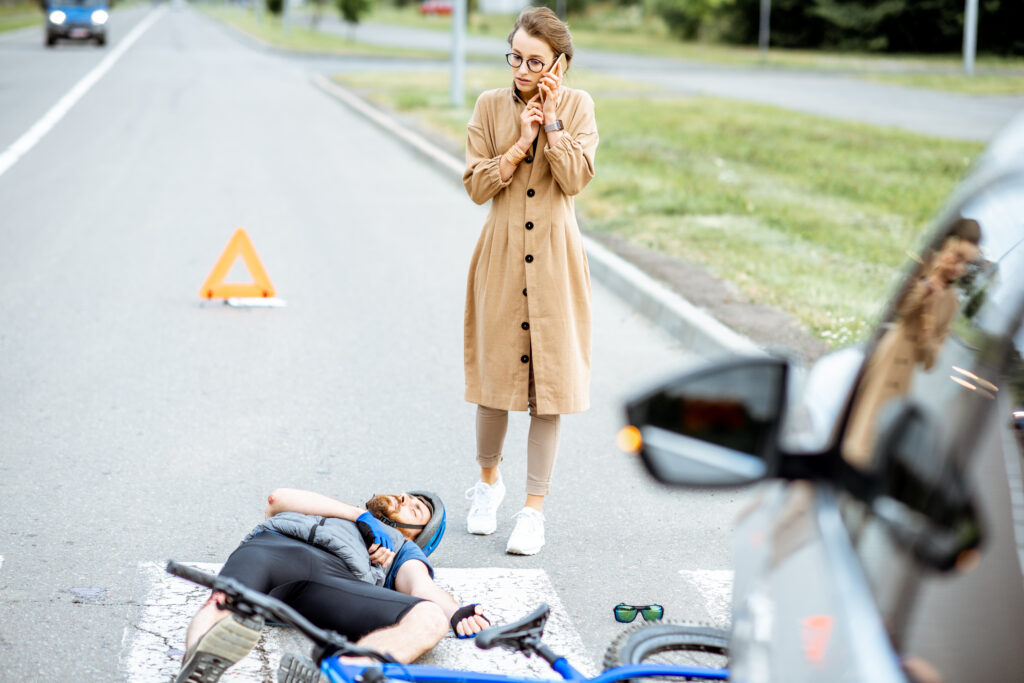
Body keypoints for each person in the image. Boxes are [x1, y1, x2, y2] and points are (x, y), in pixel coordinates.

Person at [461, 7, 599, 555]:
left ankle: (532, 511)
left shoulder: (580, 106)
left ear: (559, 64)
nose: (522, 70)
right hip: (500, 257)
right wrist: (520, 143)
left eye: (535, 61)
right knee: (494, 384)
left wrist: (554, 122)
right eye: (515, 57)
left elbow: (575, 178)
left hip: (556, 260)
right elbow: (476, 186)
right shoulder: (489, 106)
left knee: (550, 391)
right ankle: (487, 485)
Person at [175, 488, 490, 683]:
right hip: (271, 549)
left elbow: (421, 587)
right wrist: (360, 516)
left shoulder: (401, 549)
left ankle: (341, 673)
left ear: (417, 535)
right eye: (408, 496)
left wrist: (454, 612)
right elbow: (278, 499)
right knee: (224, 600)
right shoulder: (341, 511)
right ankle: (196, 665)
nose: (405, 498)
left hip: (333, 581)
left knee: (430, 617)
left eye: (415, 509)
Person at [843, 219, 981, 467]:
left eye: (967, 264)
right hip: (887, 358)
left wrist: (928, 338)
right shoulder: (921, 271)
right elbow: (900, 310)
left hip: (904, 377)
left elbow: (929, 361)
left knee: (881, 434)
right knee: (860, 423)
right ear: (946, 247)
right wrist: (926, 288)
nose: (959, 268)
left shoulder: (952, 302)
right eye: (957, 257)